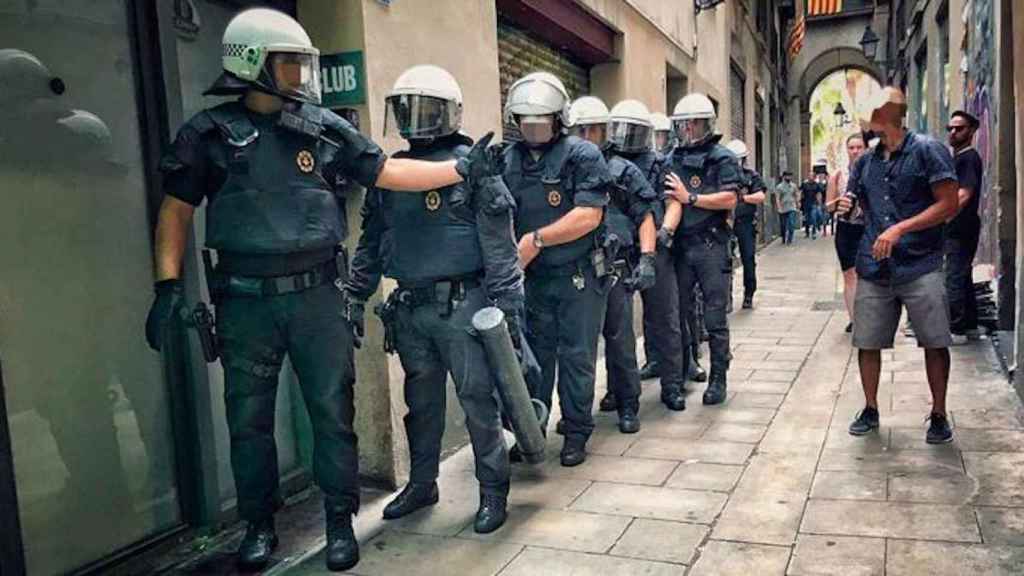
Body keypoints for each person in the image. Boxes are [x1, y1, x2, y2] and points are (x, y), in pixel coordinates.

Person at [144, 9, 494, 572]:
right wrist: (166, 286)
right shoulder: (206, 135)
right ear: (252, 64)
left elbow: (388, 173)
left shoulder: (323, 127)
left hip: (316, 300)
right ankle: (259, 526)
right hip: (244, 303)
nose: (302, 76)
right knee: (248, 420)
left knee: (333, 413)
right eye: (290, 64)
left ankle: (338, 521)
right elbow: (176, 211)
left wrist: (459, 168)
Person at [345, 65, 517, 535]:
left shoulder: (474, 165)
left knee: (478, 400)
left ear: (450, 113)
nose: (413, 118)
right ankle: (423, 484)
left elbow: (499, 241)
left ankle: (493, 490)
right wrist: (355, 294)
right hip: (411, 307)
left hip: (464, 304)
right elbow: (371, 239)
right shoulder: (394, 171)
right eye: (405, 108)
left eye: (425, 108)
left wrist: (509, 307)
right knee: (420, 402)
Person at [837, 87, 959, 445]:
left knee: (934, 342)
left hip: (921, 263)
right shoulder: (866, 163)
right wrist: (849, 207)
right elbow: (858, 205)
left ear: (888, 115)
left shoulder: (927, 151)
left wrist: (901, 227)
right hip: (875, 267)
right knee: (867, 341)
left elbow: (949, 204)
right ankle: (871, 407)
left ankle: (938, 413)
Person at [502, 72, 612, 466]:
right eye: (525, 122)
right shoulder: (507, 158)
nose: (532, 129)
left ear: (559, 118)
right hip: (531, 280)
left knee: (577, 356)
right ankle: (532, 431)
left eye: (541, 121)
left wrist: (535, 241)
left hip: (577, 275)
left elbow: (588, 216)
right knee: (535, 359)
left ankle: (577, 431)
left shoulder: (582, 155)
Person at [570, 97, 658, 432]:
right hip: (574, 271)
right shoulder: (564, 167)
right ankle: (576, 414)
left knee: (620, 340)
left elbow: (645, 214)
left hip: (614, 267)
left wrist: (647, 258)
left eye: (594, 129)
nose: (589, 135)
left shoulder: (622, 169)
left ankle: (627, 404)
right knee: (577, 349)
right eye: (583, 129)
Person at [661, 93, 742, 406]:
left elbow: (729, 199)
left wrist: (691, 197)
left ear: (706, 124)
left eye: (695, 123)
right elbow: (670, 199)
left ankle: (718, 376)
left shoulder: (722, 158)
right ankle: (684, 368)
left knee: (714, 316)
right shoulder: (672, 159)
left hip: (711, 245)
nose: (689, 129)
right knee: (678, 314)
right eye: (685, 124)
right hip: (681, 247)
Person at [945, 110, 984, 341]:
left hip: (961, 227)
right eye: (950, 128)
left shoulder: (968, 157)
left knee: (954, 277)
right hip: (962, 226)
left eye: (959, 128)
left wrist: (943, 217)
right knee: (963, 274)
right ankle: (970, 325)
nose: (953, 132)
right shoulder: (959, 157)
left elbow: (964, 194)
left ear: (971, 131)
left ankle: (956, 329)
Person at [826, 133, 867, 333]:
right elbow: (828, 206)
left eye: (859, 147)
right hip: (846, 230)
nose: (855, 151)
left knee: (867, 274)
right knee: (849, 275)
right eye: (851, 148)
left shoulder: (874, 172)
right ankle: (855, 319)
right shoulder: (838, 175)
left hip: (868, 230)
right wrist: (838, 203)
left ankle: (868, 316)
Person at [725, 139, 766, 309]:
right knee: (724, 260)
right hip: (725, 222)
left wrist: (742, 198)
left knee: (748, 259)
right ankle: (726, 297)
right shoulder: (722, 175)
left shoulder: (751, 176)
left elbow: (760, 196)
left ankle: (749, 294)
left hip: (745, 223)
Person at [774, 171, 799, 245]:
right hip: (783, 208)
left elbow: (796, 194)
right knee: (783, 225)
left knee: (791, 223)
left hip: (792, 207)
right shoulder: (779, 187)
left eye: (790, 176)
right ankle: (783, 237)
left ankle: (790, 239)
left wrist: (798, 203)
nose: (789, 178)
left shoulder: (793, 186)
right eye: (787, 176)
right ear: (784, 177)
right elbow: (777, 198)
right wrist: (779, 207)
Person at [800, 171, 823, 239]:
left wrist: (819, 203)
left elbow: (819, 194)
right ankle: (807, 232)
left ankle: (813, 232)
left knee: (813, 218)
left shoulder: (816, 185)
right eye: (810, 175)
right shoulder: (804, 184)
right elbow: (800, 192)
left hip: (814, 203)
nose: (811, 177)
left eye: (812, 176)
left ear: (814, 177)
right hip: (806, 203)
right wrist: (799, 201)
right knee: (807, 219)